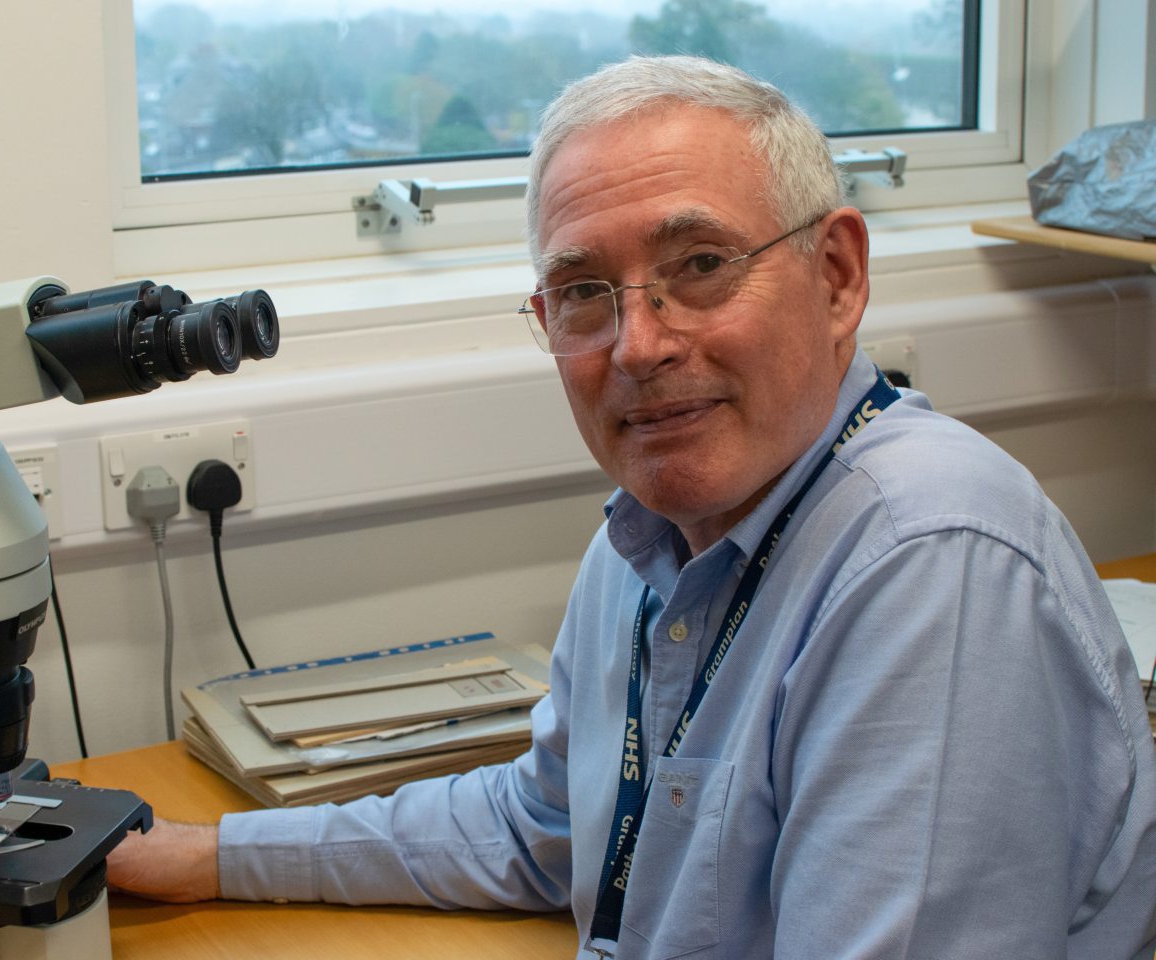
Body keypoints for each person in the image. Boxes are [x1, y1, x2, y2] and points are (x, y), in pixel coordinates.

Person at [106, 55, 1156, 958]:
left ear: (837, 276)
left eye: (701, 267)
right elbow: (541, 827)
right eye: (582, 293)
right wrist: (208, 857)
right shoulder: (651, 537)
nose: (640, 345)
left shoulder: (931, 560)